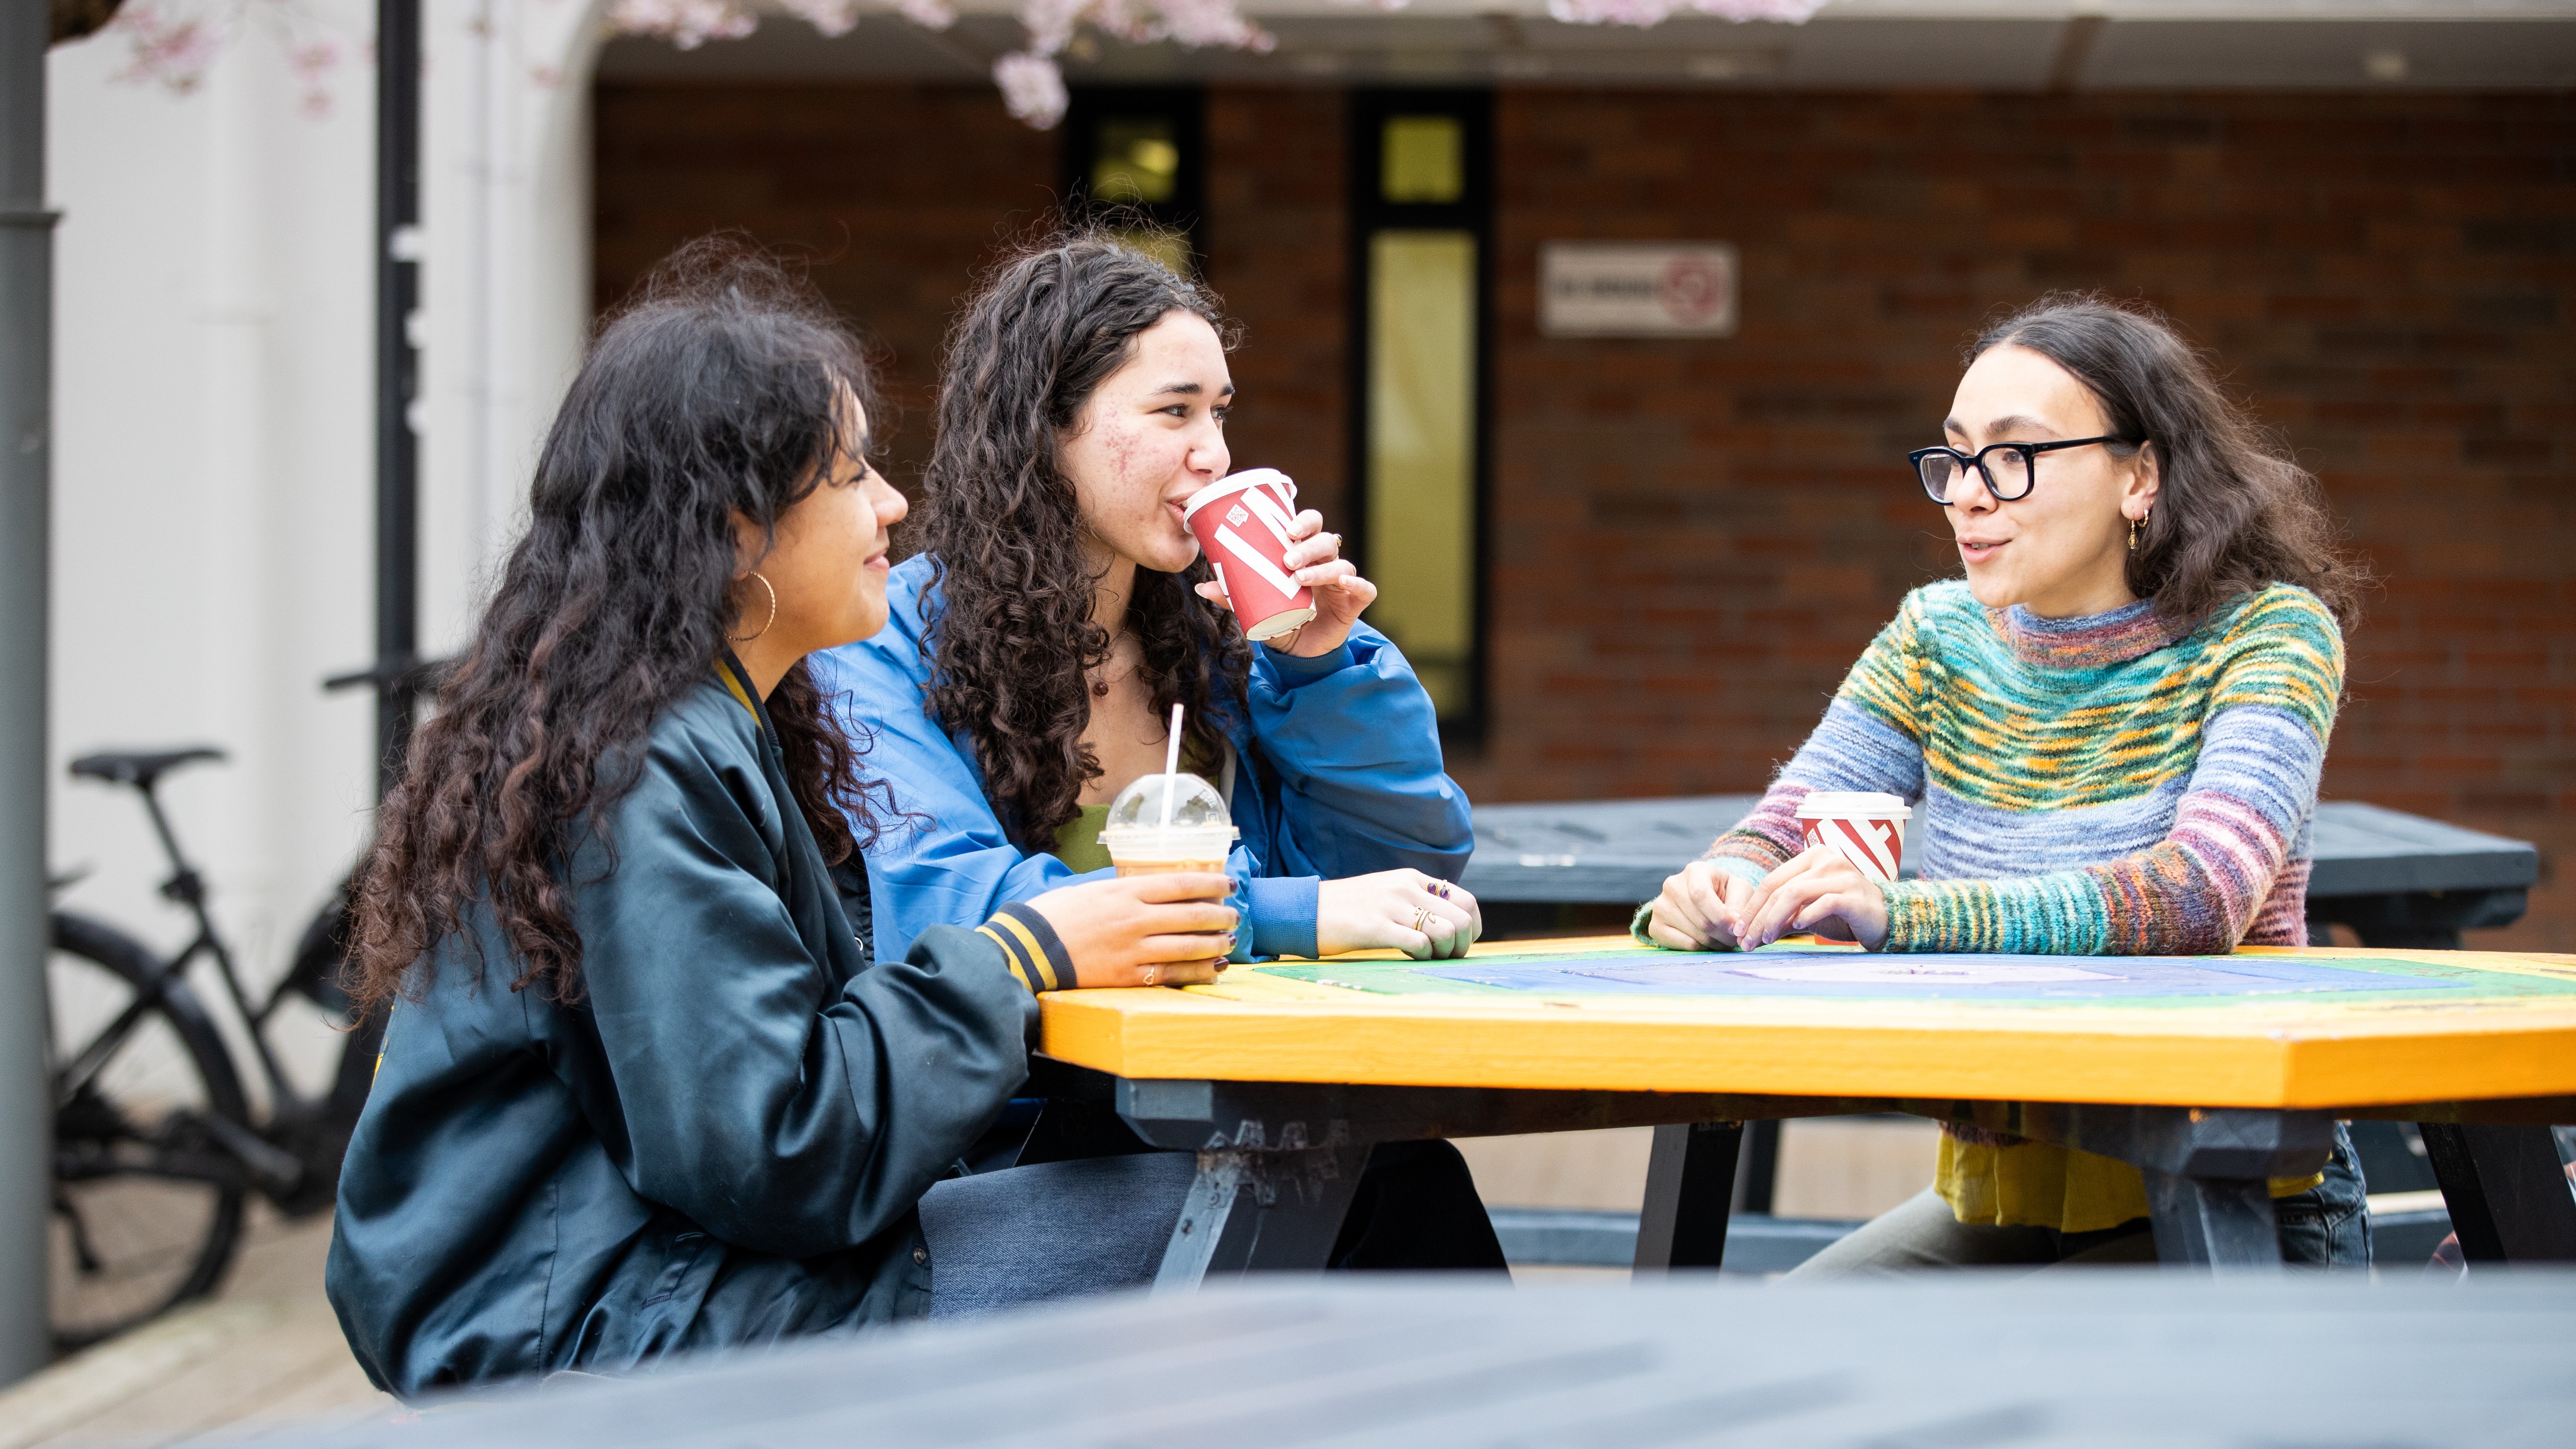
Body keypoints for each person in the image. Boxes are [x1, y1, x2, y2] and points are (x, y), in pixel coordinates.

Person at [327, 243, 1256, 1396]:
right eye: (854, 474)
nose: (894, 503)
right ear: (738, 527)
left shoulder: (701, 723)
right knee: (1319, 1220)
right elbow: (773, 1148)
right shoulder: (642, 762)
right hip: (607, 1323)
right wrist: (1024, 956)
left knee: (1275, 1187)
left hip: (688, 1271)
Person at [1638, 295, 2373, 1271]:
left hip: (2230, 1196)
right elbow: (1789, 822)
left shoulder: (2268, 634)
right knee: (1769, 1375)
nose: (1970, 497)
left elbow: (2202, 894)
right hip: (2004, 1194)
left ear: (2140, 477)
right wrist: (1718, 882)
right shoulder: (1938, 636)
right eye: (1955, 459)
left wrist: (1902, 913)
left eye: (2014, 457)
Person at [811, 235, 1481, 970]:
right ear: (1045, 428)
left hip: (1233, 1068)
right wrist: (1283, 912)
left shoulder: (1227, 642)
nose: (1214, 453)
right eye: (1175, 412)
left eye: (1219, 414)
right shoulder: (882, 641)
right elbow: (960, 910)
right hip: (1021, 1084)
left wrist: (1321, 673)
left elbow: (1400, 885)